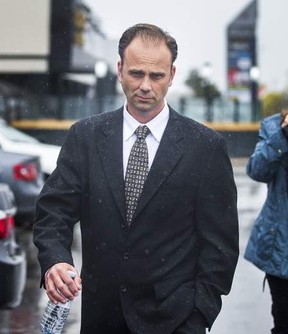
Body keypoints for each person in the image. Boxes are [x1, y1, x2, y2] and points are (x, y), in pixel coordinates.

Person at [33, 23, 239, 334]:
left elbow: (220, 248)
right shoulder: (86, 136)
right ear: (119, 70)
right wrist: (55, 261)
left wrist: (198, 314)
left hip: (175, 320)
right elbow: (54, 211)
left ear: (171, 75)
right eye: (136, 73)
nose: (145, 85)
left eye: (156, 76)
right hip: (100, 318)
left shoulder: (206, 148)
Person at [244, 109, 288, 334]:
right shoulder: (273, 128)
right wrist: (282, 136)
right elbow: (256, 171)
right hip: (282, 248)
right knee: (283, 321)